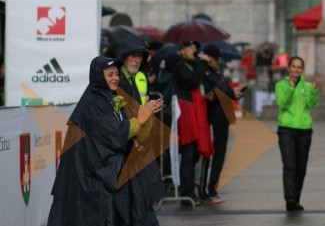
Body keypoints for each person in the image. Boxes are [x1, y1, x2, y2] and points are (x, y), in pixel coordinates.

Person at [48, 56, 161, 226]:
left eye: (116, 74)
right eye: (110, 74)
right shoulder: (92, 102)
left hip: (110, 177)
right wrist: (139, 120)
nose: (115, 78)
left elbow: (126, 134)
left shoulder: (112, 100)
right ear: (98, 76)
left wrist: (145, 119)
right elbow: (113, 135)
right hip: (91, 180)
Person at [114, 39, 165, 225]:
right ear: (123, 57)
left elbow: (137, 121)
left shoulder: (132, 80)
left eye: (140, 57)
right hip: (123, 159)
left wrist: (148, 114)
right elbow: (118, 126)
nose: (137, 60)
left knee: (140, 210)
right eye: (133, 56)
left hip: (135, 154)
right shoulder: (118, 83)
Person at [199, 43, 245, 205]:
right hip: (213, 118)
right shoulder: (204, 72)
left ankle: (212, 188)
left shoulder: (216, 72)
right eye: (216, 59)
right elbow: (212, 92)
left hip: (222, 118)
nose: (218, 62)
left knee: (219, 155)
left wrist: (233, 93)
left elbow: (222, 90)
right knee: (212, 155)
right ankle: (206, 190)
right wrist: (230, 92)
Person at [168, 40, 213, 204]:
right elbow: (193, 81)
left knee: (193, 154)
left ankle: (189, 190)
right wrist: (201, 63)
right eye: (192, 47)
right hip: (186, 112)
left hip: (196, 112)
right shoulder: (180, 65)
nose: (195, 50)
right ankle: (187, 194)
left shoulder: (194, 65)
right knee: (188, 153)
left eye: (196, 47)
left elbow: (202, 82)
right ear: (183, 50)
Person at [275, 56, 319, 212]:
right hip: (286, 129)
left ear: (302, 69)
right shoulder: (281, 85)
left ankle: (296, 198)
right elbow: (282, 103)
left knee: (301, 167)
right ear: (288, 68)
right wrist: (291, 88)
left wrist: (313, 90)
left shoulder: (307, 86)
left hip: (304, 130)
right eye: (293, 66)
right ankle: (290, 199)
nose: (296, 69)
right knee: (289, 165)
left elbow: (312, 104)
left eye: (299, 67)